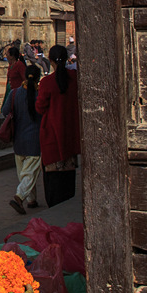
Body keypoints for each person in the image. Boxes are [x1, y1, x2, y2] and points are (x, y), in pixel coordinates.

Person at [35, 45, 81, 208]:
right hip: (70, 136)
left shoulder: (47, 83)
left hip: (52, 137)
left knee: (53, 188)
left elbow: (39, 107)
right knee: (68, 185)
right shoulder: (75, 78)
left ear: (51, 60)